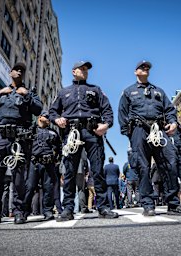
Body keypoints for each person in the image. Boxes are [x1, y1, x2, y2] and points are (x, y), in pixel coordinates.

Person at [118, 60, 181, 216]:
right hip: (139, 131)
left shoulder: (158, 91)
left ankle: (173, 203)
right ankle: (147, 204)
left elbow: (170, 110)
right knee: (143, 167)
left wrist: (172, 123)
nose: (145, 69)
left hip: (159, 130)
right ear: (135, 72)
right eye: (142, 67)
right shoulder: (128, 92)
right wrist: (131, 135)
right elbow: (122, 115)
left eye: (147, 68)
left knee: (169, 163)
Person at [49, 60, 118, 221]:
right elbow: (52, 111)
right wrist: (57, 119)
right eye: (82, 68)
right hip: (72, 134)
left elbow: (107, 111)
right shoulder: (63, 92)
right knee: (70, 171)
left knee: (97, 170)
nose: (85, 71)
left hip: (92, 132)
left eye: (86, 69)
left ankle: (103, 207)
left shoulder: (96, 90)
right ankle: (67, 208)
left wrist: (105, 125)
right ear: (74, 71)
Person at [0, 62, 42, 225]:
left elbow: (39, 109)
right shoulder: (1, 93)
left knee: (19, 178)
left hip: (19, 137)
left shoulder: (29, 93)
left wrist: (26, 95)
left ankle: (19, 211)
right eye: (16, 69)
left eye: (22, 70)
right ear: (10, 72)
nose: (19, 72)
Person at [23, 111, 61, 220]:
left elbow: (59, 147)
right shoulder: (32, 130)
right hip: (34, 163)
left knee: (48, 188)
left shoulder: (53, 132)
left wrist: (57, 159)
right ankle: (24, 211)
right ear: (40, 117)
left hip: (49, 164)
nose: (49, 119)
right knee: (29, 187)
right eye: (46, 117)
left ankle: (48, 211)